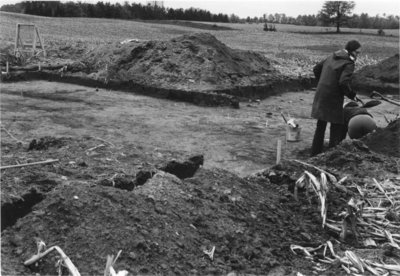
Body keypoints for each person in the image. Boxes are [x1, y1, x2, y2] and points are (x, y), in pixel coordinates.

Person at [310, 40, 362, 156]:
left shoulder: (331, 56)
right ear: (351, 51)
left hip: (321, 93)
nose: (358, 55)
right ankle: (332, 155)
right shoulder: (349, 63)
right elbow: (343, 82)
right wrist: (352, 95)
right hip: (333, 97)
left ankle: (314, 154)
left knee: (321, 125)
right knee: (336, 125)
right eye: (357, 53)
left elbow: (316, 69)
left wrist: (324, 83)